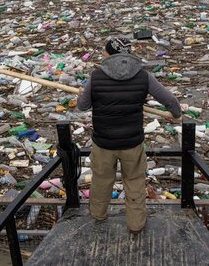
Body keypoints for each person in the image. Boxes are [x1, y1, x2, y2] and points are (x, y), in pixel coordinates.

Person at [77, 37, 182, 234]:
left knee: (101, 180)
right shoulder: (143, 76)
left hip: (103, 142)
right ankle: (136, 225)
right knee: (134, 182)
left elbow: (83, 106)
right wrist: (177, 115)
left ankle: (98, 215)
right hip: (132, 143)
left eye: (104, 51)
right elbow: (170, 101)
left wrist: (82, 94)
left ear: (109, 53)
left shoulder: (97, 76)